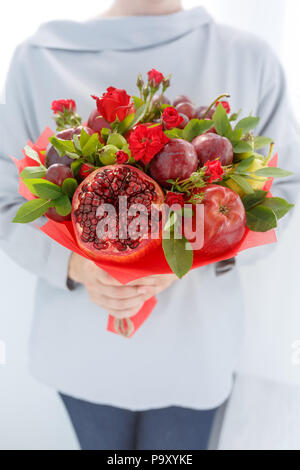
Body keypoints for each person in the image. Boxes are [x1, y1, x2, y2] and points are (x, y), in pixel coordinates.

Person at [0, 0, 299, 451]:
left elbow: (280, 201)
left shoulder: (251, 58)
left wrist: (186, 257)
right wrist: (79, 267)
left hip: (194, 353)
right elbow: (7, 204)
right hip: (85, 358)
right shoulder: (37, 57)